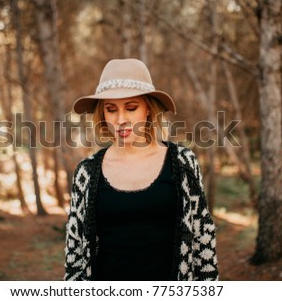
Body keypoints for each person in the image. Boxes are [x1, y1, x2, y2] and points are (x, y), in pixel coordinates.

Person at [64, 58, 218, 281]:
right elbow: (75, 253)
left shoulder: (183, 162)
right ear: (102, 114)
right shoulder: (86, 173)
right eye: (111, 109)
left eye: (131, 107)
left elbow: (203, 237)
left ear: (148, 109)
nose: (120, 120)